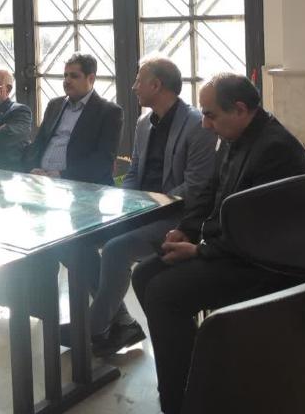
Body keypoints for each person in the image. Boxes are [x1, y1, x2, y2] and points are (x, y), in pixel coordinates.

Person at [131, 72, 305, 414]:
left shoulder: (274, 150)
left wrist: (200, 251)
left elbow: (261, 231)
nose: (205, 125)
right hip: (232, 247)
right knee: (143, 274)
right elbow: (209, 190)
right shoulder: (235, 134)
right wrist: (186, 229)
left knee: (164, 293)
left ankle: (183, 400)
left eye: (210, 115)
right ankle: (189, 373)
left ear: (240, 109)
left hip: (263, 264)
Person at [68, 57, 218, 356]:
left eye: (139, 81)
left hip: (175, 216)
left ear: (156, 85)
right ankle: (118, 320)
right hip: (140, 209)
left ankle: (91, 327)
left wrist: (152, 204)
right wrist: (125, 203)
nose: (134, 86)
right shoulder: (143, 124)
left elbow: (196, 186)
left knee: (116, 249)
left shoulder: (196, 125)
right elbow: (134, 172)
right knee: (77, 240)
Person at [23, 54, 123, 185]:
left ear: (91, 78)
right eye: (65, 75)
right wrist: (32, 169)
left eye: (74, 76)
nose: (67, 81)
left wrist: (60, 175)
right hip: (42, 180)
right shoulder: (54, 105)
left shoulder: (109, 112)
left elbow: (102, 161)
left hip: (81, 185)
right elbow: (38, 143)